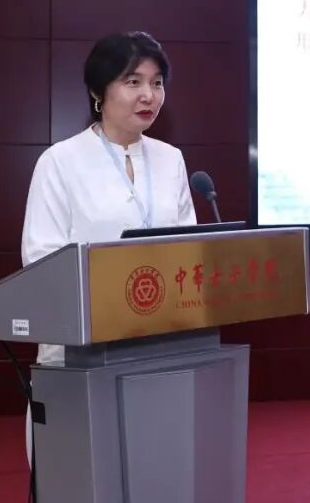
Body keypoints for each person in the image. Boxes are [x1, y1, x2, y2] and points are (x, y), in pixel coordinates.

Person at [20, 31, 196, 461]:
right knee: (82, 470)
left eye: (156, 82)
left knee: (156, 468)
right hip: (81, 352)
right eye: (133, 81)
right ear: (99, 91)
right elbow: (41, 259)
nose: (148, 95)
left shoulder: (170, 159)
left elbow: (190, 249)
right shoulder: (60, 162)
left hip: (158, 347)